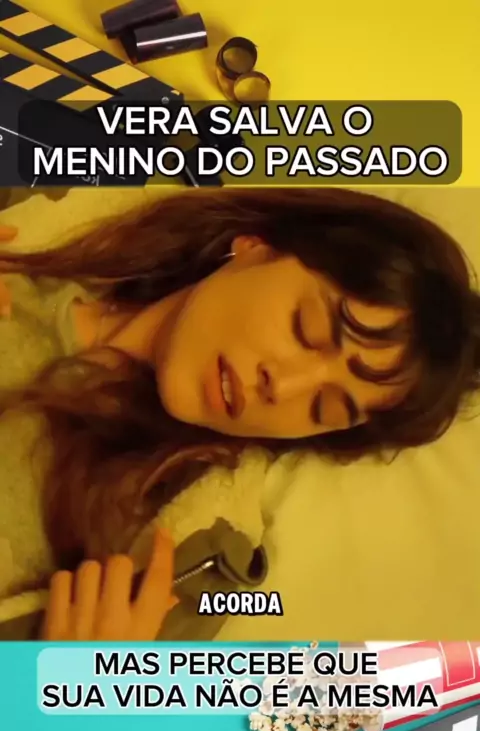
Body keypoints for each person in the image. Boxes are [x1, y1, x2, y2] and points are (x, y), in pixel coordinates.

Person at [0, 187, 479, 641]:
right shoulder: (29, 223)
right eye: (306, 328)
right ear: (253, 247)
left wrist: (67, 688)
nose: (283, 387)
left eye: (322, 408)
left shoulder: (177, 550)